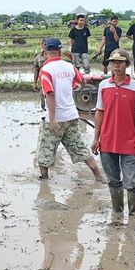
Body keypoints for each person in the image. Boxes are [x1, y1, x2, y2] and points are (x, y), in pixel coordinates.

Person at [35, 37, 104, 182]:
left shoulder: (46, 70)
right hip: (72, 116)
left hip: (55, 119)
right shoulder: (69, 67)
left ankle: (44, 180)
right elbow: (83, 82)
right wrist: (75, 87)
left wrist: (53, 119)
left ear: (46, 50)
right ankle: (98, 176)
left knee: (45, 149)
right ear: (60, 50)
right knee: (79, 147)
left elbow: (50, 95)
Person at [91, 49, 135, 222]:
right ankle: (117, 213)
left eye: (120, 62)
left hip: (129, 142)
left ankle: (134, 215)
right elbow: (99, 112)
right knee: (113, 180)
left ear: (127, 65)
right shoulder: (103, 85)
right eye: (113, 62)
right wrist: (96, 138)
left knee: (131, 182)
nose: (116, 65)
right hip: (107, 141)